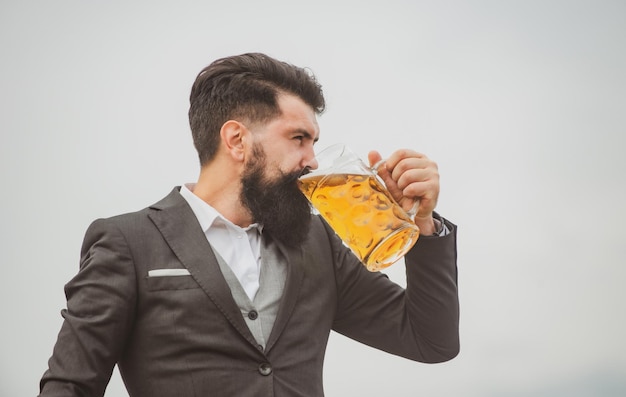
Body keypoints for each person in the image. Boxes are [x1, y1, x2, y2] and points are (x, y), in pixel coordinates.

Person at [39, 52, 459, 397]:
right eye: (299, 138)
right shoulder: (127, 242)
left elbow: (431, 340)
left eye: (314, 141)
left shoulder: (318, 243)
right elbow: (69, 387)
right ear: (237, 140)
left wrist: (422, 225)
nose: (312, 161)